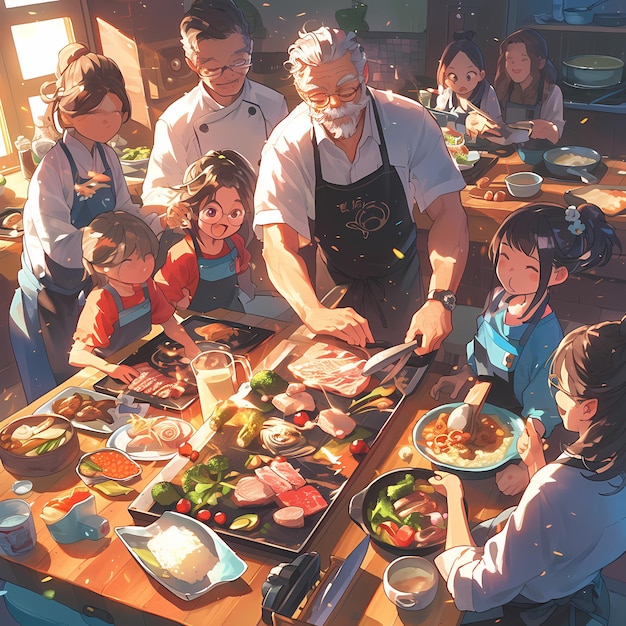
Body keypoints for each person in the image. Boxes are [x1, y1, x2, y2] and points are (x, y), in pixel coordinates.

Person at [254, 26, 469, 349]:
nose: (334, 106)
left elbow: (450, 212)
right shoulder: (287, 146)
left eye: (346, 91)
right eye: (317, 97)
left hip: (405, 287)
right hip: (334, 298)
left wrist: (440, 298)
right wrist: (312, 310)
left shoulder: (409, 121)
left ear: (364, 73)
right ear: (300, 91)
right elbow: (277, 245)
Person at [429, 315, 626, 626]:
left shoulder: (554, 489)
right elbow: (572, 521)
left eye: (559, 387)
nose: (555, 396)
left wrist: (455, 497)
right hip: (575, 577)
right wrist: (536, 463)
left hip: (532, 598)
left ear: (588, 407)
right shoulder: (607, 465)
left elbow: (477, 585)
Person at [9, 42, 162, 403]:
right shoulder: (53, 168)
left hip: (94, 282)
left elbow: (123, 210)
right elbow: (60, 244)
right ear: (67, 112)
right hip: (56, 294)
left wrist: (155, 218)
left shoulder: (106, 157)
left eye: (116, 110)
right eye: (96, 111)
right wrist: (119, 244)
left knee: (111, 369)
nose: (108, 120)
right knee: (69, 387)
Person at [431, 203, 620, 495]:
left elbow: (545, 405)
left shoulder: (546, 335)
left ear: (556, 276)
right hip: (478, 404)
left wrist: (525, 465)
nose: (509, 274)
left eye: (528, 269)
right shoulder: (497, 298)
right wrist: (464, 373)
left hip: (518, 428)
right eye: (505, 258)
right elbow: (481, 346)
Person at [141, 0, 288, 220]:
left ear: (251, 50)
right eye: (212, 68)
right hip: (208, 232)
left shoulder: (273, 105)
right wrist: (175, 208)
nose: (228, 74)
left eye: (239, 61)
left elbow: (290, 174)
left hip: (266, 222)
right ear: (191, 63)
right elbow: (157, 191)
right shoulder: (176, 121)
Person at [69, 212, 200, 382]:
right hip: (110, 371)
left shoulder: (147, 285)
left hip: (142, 358)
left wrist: (191, 346)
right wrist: (111, 369)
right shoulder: (101, 300)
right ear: (100, 265)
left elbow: (168, 322)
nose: (143, 266)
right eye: (130, 260)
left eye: (146, 256)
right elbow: (77, 355)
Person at [154, 150, 256, 313]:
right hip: (196, 320)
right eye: (211, 211)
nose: (223, 222)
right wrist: (178, 305)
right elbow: (162, 295)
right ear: (193, 208)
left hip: (234, 312)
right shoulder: (183, 255)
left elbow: (243, 270)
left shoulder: (234, 243)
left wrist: (250, 297)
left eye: (234, 213)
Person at [475, 28, 564, 152]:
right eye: (510, 59)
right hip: (504, 154)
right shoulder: (501, 90)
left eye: (523, 59)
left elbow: (555, 136)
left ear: (540, 62)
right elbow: (495, 125)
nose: (515, 65)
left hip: (536, 156)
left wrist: (548, 129)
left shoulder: (552, 92)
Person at [434, 30, 502, 140]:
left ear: (481, 74)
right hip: (452, 148)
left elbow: (499, 127)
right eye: (453, 76)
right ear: (445, 76)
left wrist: (481, 120)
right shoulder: (448, 94)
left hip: (482, 150)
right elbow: (438, 116)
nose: (461, 83)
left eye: (469, 76)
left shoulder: (487, 93)